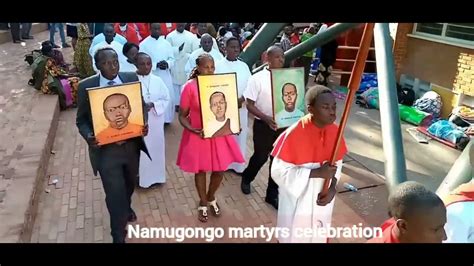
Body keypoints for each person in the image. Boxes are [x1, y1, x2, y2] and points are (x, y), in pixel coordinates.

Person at [76, 47, 149, 243]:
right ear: (98, 65)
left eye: (115, 61)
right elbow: (80, 120)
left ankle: (126, 206)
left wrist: (144, 123)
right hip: (106, 153)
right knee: (114, 193)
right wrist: (89, 135)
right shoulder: (86, 87)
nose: (113, 66)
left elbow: (140, 106)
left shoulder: (131, 78)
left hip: (131, 147)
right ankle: (118, 234)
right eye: (107, 63)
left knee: (129, 185)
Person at [270, 85, 347, 243]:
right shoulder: (293, 134)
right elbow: (278, 172)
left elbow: (338, 165)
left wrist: (333, 188)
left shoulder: (336, 132)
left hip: (322, 199)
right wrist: (315, 173)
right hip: (298, 202)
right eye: (325, 107)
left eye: (333, 106)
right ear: (310, 109)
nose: (332, 111)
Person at [176, 53, 244, 222]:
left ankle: (211, 196)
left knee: (219, 170)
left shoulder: (219, 84)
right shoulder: (189, 87)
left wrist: (233, 124)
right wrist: (192, 129)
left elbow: (227, 109)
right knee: (200, 170)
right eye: (206, 67)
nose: (210, 70)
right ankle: (203, 202)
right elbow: (182, 115)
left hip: (219, 134)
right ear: (198, 67)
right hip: (198, 134)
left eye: (212, 67)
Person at [240, 46, 286, 209]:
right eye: (277, 57)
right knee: (261, 157)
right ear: (268, 58)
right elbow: (249, 104)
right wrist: (266, 118)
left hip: (283, 126)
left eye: (283, 57)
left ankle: (272, 194)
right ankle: (247, 178)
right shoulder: (257, 78)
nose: (281, 60)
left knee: (278, 160)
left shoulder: (288, 77)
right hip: (263, 125)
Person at [215, 37, 251, 174]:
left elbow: (250, 86)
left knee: (239, 136)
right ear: (225, 48)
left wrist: (242, 99)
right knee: (224, 136)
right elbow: (214, 87)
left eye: (237, 47)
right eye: (232, 47)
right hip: (223, 109)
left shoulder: (244, 66)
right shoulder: (218, 66)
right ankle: (223, 163)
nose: (235, 50)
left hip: (240, 108)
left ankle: (237, 166)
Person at [367, 181, 447, 243]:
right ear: (403, 226)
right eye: (435, 230)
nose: (445, 237)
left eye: (443, 226)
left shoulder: (408, 218)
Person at [136, 52, 170, 187]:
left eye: (149, 63)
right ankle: (144, 179)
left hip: (156, 121)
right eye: (142, 64)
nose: (146, 67)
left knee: (157, 148)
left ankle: (158, 177)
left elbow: (166, 98)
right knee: (142, 151)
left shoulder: (158, 80)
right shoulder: (133, 80)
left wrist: (154, 105)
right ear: (136, 65)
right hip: (141, 122)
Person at [140, 23, 176, 124]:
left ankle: (166, 119)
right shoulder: (144, 44)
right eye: (154, 29)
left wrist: (167, 63)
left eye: (158, 29)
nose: (156, 31)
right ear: (150, 29)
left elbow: (172, 59)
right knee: (155, 96)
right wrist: (155, 65)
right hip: (152, 75)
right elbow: (141, 61)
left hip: (165, 75)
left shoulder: (166, 43)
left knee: (168, 96)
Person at [31, 41, 79, 110]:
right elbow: (58, 73)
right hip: (49, 85)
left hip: (43, 83)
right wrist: (71, 75)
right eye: (51, 51)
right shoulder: (48, 62)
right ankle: (69, 103)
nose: (53, 52)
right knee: (74, 81)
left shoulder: (39, 59)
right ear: (47, 53)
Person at [166, 23, 198, 110]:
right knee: (175, 84)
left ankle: (186, 104)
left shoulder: (191, 36)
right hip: (176, 63)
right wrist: (177, 50)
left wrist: (187, 55)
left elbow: (195, 51)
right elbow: (168, 50)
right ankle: (177, 104)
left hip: (186, 62)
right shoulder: (170, 36)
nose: (181, 25)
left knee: (186, 83)